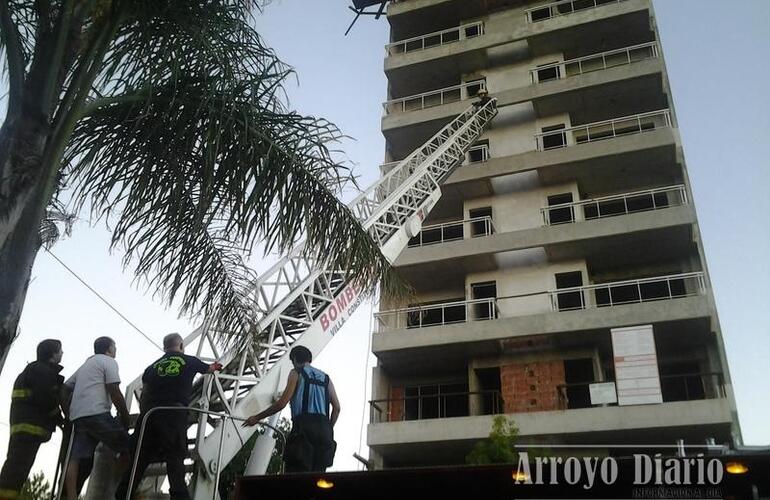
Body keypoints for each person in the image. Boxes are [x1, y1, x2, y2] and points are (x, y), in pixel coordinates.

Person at [115, 333, 222, 500]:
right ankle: (179, 496)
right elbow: (209, 369)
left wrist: (144, 415)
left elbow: (145, 393)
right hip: (173, 414)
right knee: (175, 458)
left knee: (140, 459)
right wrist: (216, 366)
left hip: (149, 415)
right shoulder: (189, 360)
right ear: (180, 346)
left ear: (165, 347)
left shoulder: (151, 367)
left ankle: (122, 494)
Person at [243, 345, 340, 473]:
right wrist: (328, 428)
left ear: (294, 359)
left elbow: (282, 403)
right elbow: (337, 408)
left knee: (296, 477)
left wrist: (257, 417)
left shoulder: (296, 373)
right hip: (324, 432)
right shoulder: (326, 378)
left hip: (303, 428)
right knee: (317, 479)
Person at [64, 336, 131, 500]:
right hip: (97, 414)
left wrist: (68, 411)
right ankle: (117, 488)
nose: (116, 350)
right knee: (130, 447)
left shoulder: (86, 365)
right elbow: (114, 389)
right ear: (109, 349)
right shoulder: (108, 362)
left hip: (78, 416)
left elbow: (64, 388)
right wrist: (124, 414)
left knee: (75, 458)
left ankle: (70, 496)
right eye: (114, 347)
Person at [0, 340, 64, 499]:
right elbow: (45, 397)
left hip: (25, 428)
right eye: (60, 351)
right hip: (30, 427)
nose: (62, 353)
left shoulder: (35, 370)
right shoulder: (41, 370)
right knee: (16, 470)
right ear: (53, 354)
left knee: (17, 468)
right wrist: (60, 418)